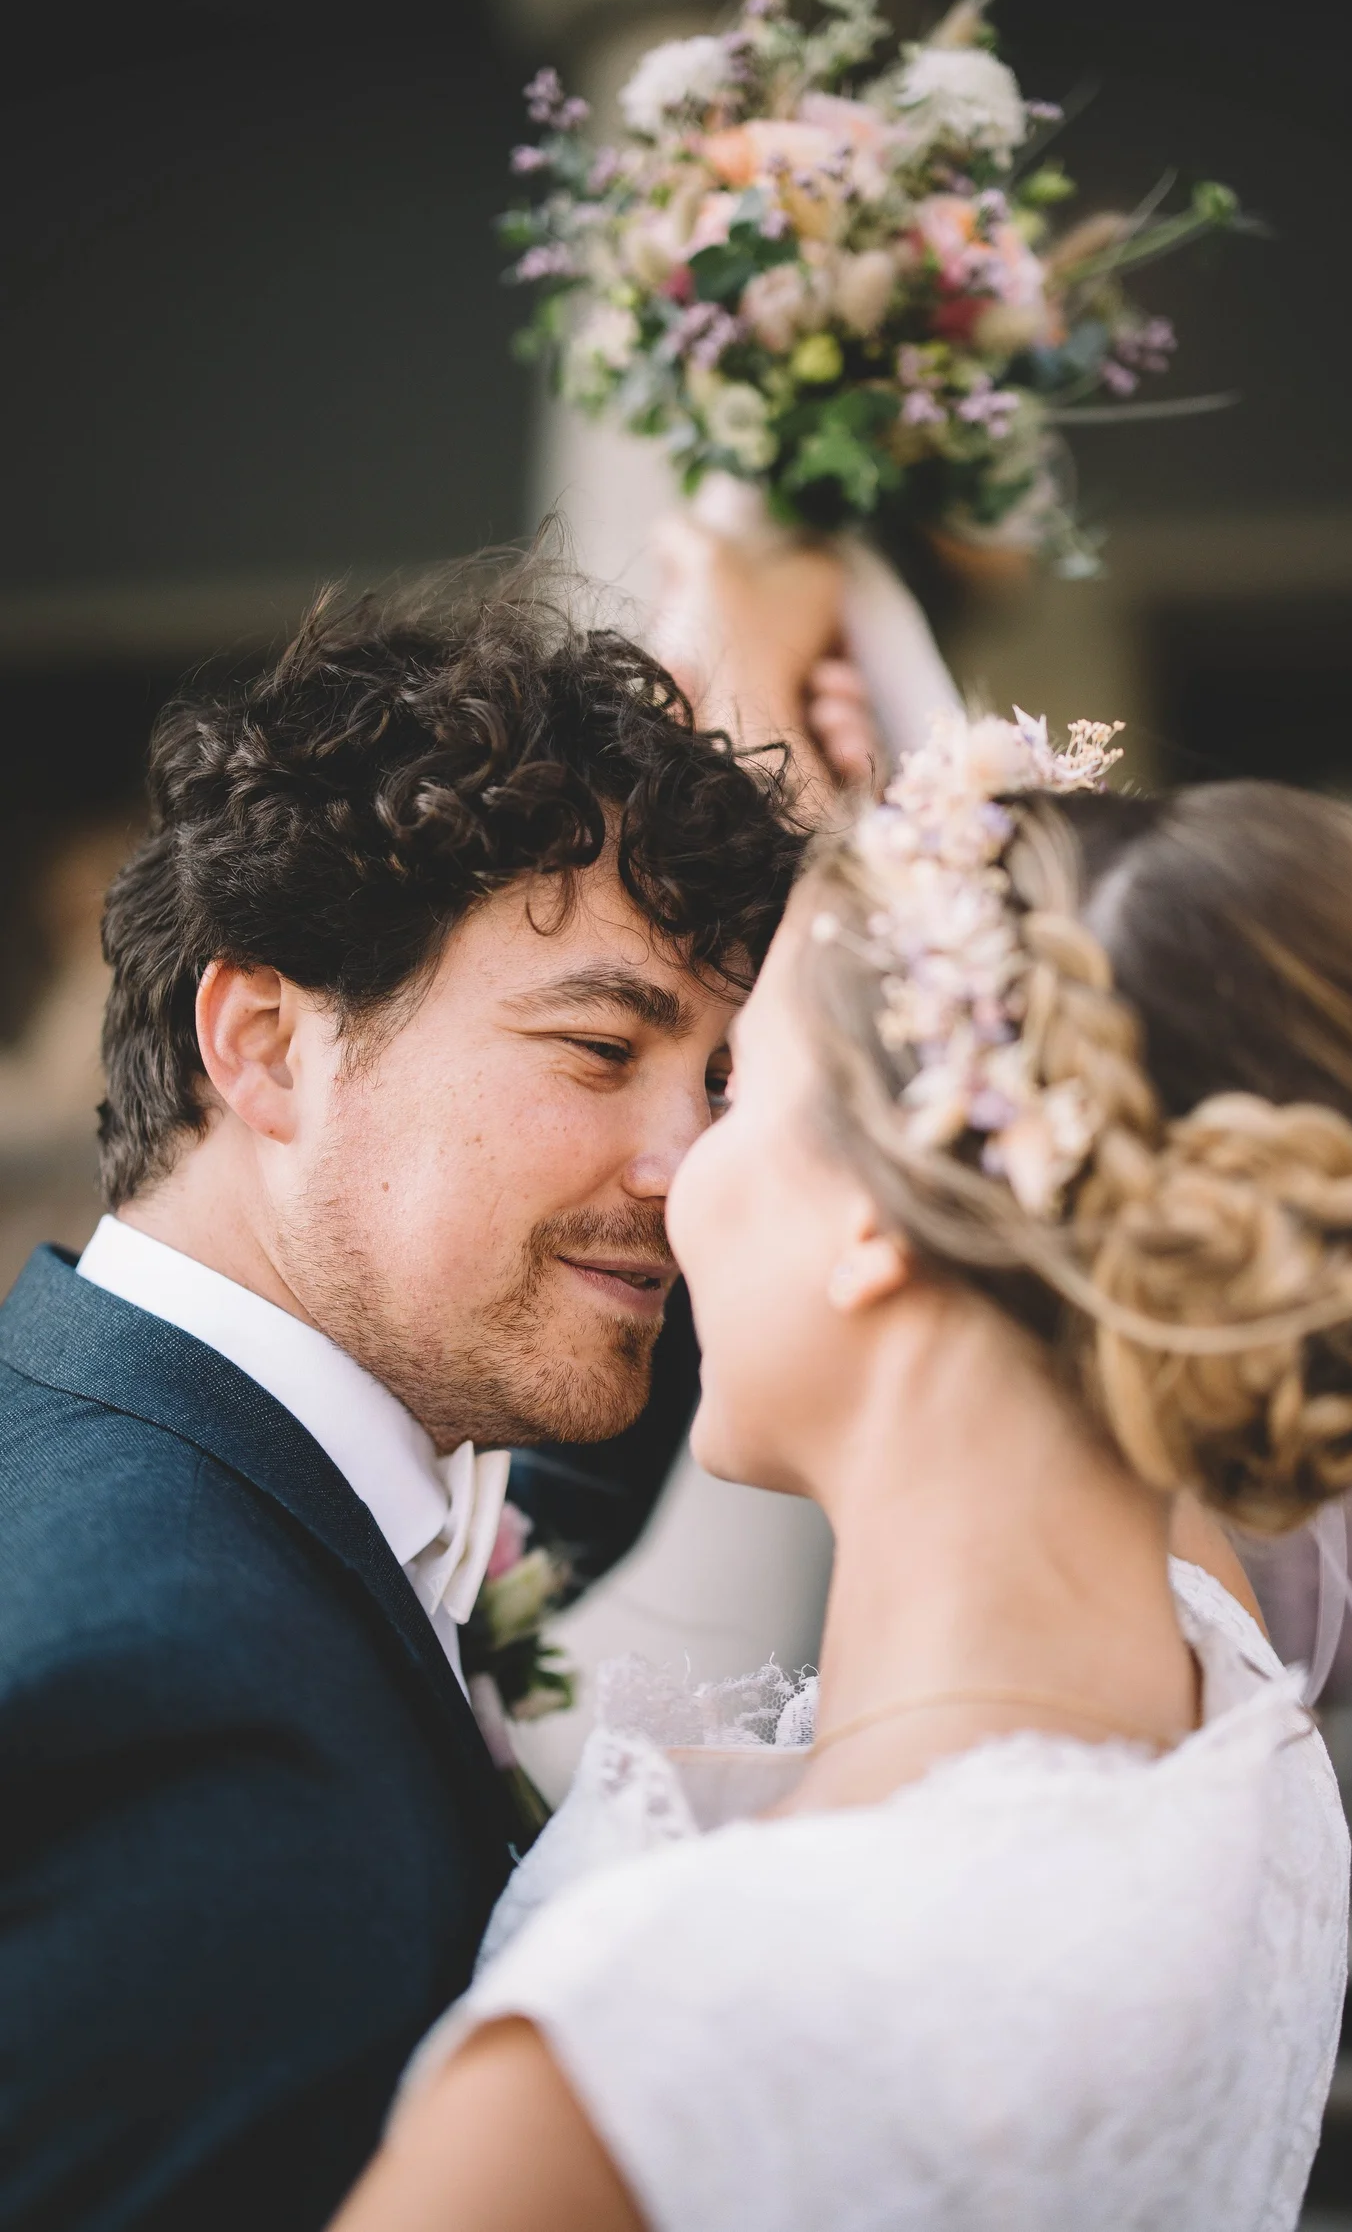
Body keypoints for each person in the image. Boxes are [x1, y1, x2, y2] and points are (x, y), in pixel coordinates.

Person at [332, 713, 1352, 2231]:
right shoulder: (1239, 1733)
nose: (677, 1179)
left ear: (876, 1207)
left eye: (734, 1084)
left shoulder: (647, 2050)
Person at [0, 556, 851, 2232]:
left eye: (725, 1082)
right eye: (605, 1052)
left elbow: (532, 1523)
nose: (693, 1172)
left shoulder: (222, 1466)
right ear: (262, 1044)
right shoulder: (164, 1686)